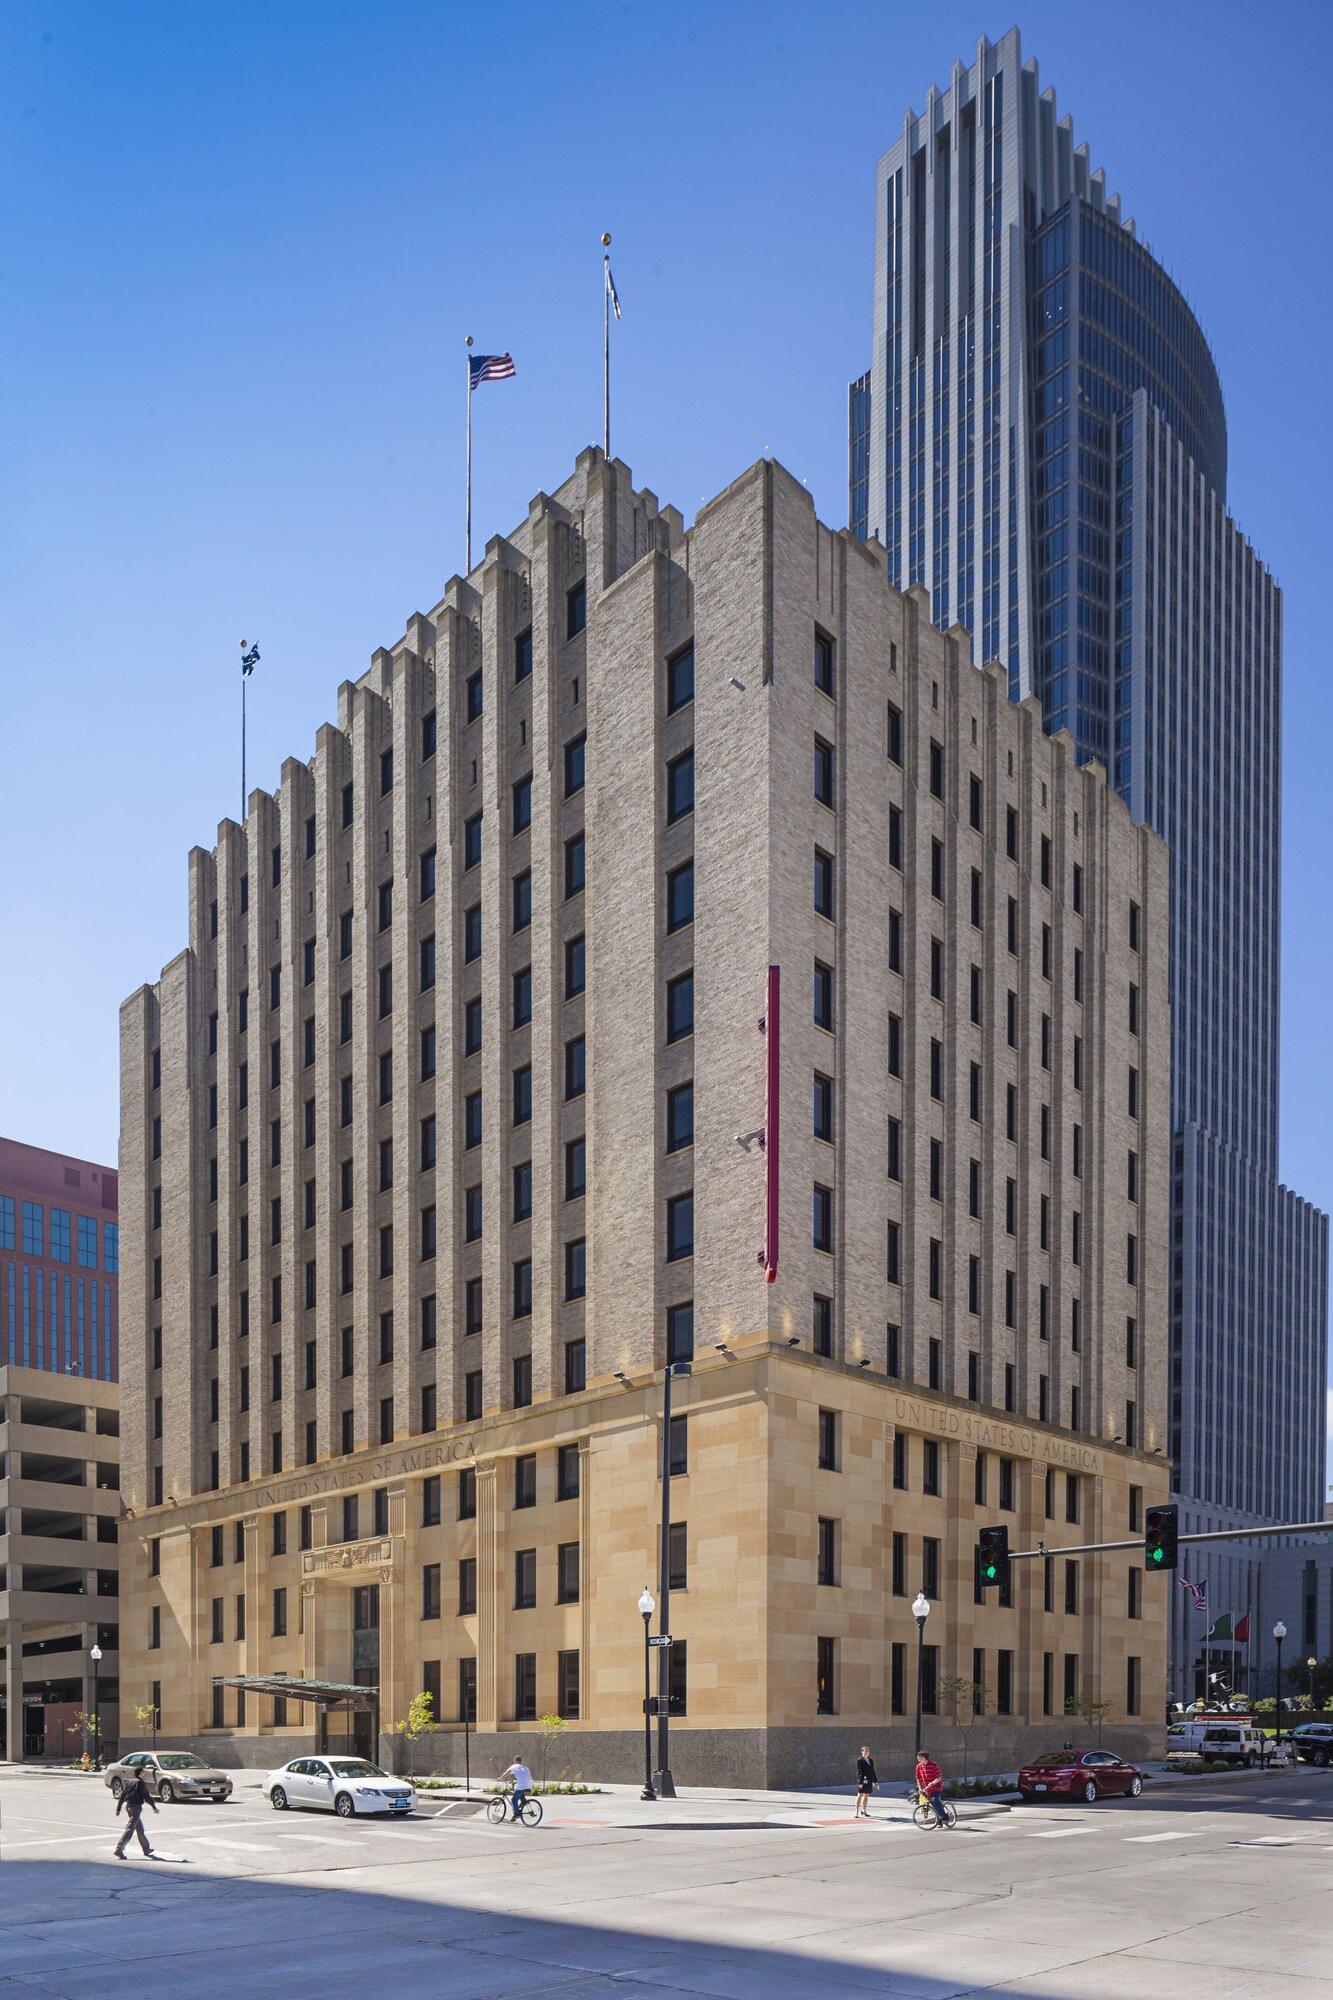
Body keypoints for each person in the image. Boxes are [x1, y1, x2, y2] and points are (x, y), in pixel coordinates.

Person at [114, 1769, 159, 1858]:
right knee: (130, 1828)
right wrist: (154, 1807)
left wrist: (118, 1808)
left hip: (129, 1806)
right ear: (141, 1773)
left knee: (139, 1829)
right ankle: (119, 1849)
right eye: (143, 1772)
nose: (144, 1774)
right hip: (136, 1808)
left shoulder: (130, 1781)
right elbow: (146, 1796)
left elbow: (123, 1794)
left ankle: (146, 1849)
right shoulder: (140, 1783)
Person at [914, 1747, 948, 1827]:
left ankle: (945, 1816)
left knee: (934, 1800)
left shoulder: (933, 1764)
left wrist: (932, 1783)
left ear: (923, 1757)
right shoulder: (919, 1766)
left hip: (936, 1787)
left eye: (918, 1756)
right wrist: (920, 1788)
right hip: (926, 1789)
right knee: (932, 1804)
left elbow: (939, 1777)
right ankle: (940, 1819)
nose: (917, 1758)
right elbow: (918, 1778)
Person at [500, 1756, 534, 1822]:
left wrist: (500, 1778)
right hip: (529, 1785)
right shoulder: (525, 1768)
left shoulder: (514, 1766)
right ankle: (523, 1803)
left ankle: (517, 1813)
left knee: (514, 1799)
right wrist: (515, 1781)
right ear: (521, 1761)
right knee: (520, 1795)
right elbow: (523, 1776)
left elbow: (507, 1772)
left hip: (522, 1786)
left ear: (515, 1761)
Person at [854, 1745, 877, 1818]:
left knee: (866, 1795)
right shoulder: (860, 1760)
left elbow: (872, 1771)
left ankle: (864, 1810)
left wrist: (875, 1781)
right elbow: (859, 1772)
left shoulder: (870, 1760)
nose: (867, 1752)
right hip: (862, 1780)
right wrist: (859, 1782)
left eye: (868, 1751)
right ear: (862, 1752)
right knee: (860, 1795)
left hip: (869, 1780)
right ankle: (856, 1812)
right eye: (865, 1751)